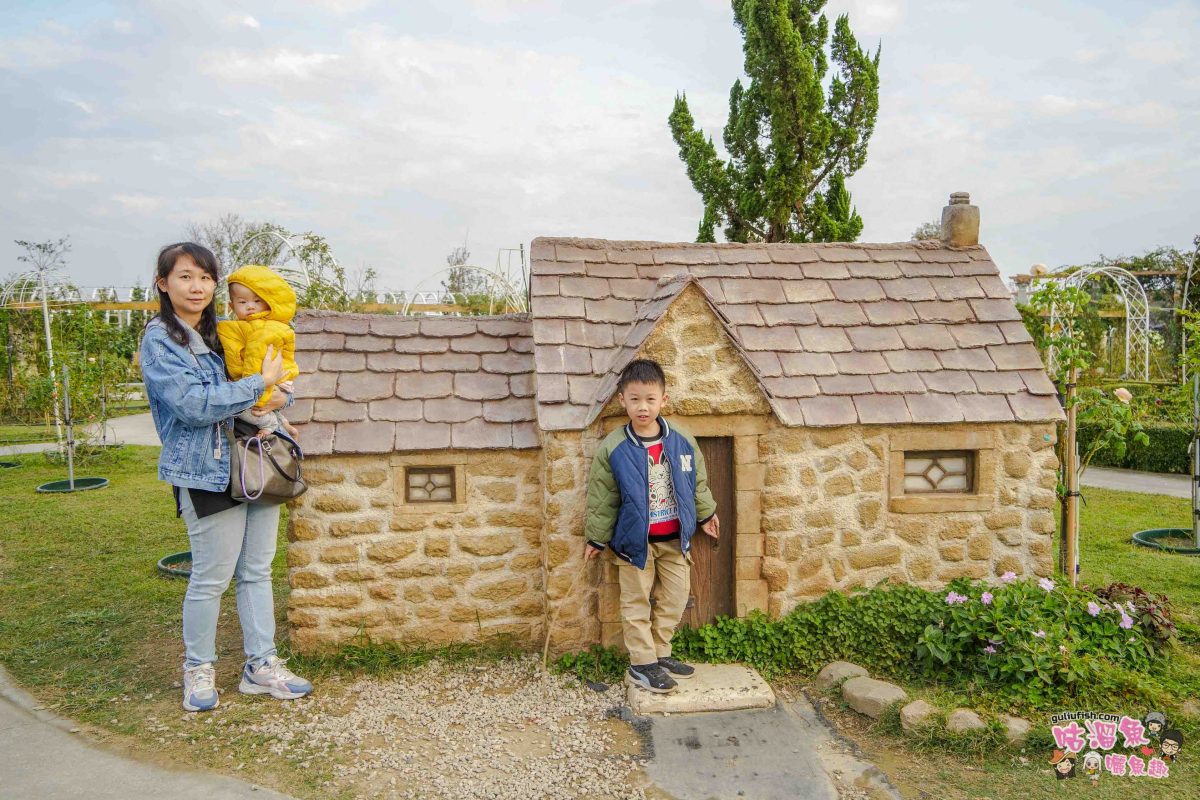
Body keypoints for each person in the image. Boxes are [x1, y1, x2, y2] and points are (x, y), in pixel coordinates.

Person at [140, 242, 312, 712]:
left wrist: (281, 397)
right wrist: (260, 387)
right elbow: (195, 406)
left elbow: (277, 382)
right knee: (211, 576)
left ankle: (261, 665)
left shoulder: (228, 330)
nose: (197, 287)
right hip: (205, 468)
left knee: (257, 570)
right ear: (163, 284)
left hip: (257, 459)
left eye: (205, 278)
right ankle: (198, 667)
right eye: (185, 277)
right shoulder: (162, 340)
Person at [583, 358, 719, 694]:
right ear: (622, 401)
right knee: (636, 603)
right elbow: (603, 498)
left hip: (675, 539)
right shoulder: (614, 447)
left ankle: (661, 653)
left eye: (650, 399)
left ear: (663, 400)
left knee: (675, 598)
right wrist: (596, 539)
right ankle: (642, 665)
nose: (642, 407)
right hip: (634, 544)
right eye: (634, 399)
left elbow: (697, 483)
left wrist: (706, 514)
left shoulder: (682, 440)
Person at [217, 265, 300, 438]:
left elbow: (255, 360)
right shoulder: (243, 327)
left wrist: (255, 397)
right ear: (232, 306)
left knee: (241, 408)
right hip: (271, 381)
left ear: (268, 301)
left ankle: (271, 425)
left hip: (269, 381)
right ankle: (284, 424)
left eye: (257, 301)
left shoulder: (265, 329)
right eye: (242, 302)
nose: (250, 307)